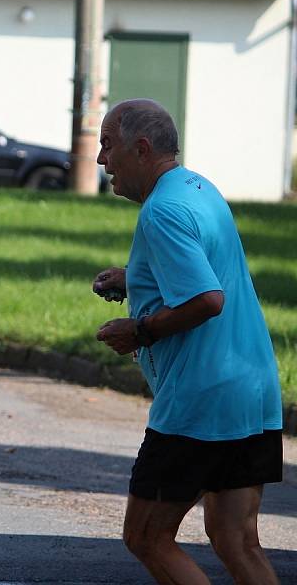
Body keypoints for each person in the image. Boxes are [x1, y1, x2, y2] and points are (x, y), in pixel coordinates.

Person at [92, 99, 283, 585]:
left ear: (141, 148)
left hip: (200, 404)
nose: (101, 161)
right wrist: (136, 277)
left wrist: (139, 329)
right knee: (236, 540)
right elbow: (204, 268)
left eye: (107, 146)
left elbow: (206, 299)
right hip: (252, 390)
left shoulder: (162, 212)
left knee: (146, 538)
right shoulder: (199, 188)